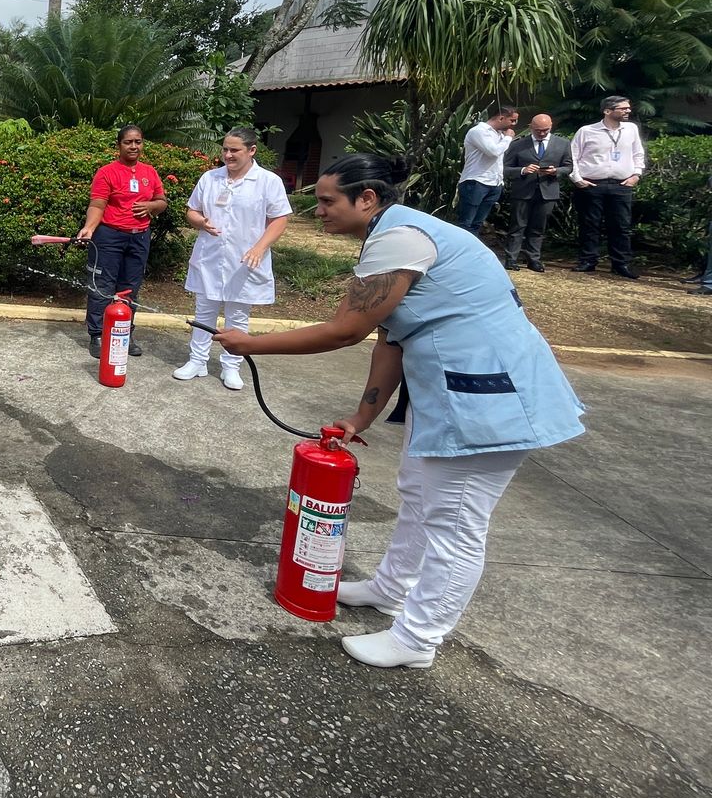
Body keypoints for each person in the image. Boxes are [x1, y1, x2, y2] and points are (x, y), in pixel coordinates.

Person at [214, 153, 585, 670]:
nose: (318, 211)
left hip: (489, 400)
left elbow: (346, 330)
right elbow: (390, 339)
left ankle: (418, 639)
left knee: (454, 525)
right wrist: (361, 418)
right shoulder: (394, 235)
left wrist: (251, 344)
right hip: (449, 395)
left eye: (327, 200)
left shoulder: (400, 238)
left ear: (366, 198)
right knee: (417, 494)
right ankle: (390, 589)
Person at [172, 127, 292, 391]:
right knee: (204, 311)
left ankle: (231, 366)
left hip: (244, 261)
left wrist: (260, 247)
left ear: (252, 150)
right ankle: (197, 361)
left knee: (237, 316)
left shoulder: (267, 181)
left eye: (234, 150)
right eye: (225, 149)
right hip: (210, 257)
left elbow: (279, 219)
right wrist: (201, 222)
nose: (227, 155)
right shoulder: (210, 178)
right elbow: (192, 210)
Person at [76, 125, 168, 358]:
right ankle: (98, 334)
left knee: (130, 287)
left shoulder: (149, 172)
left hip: (140, 237)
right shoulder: (107, 172)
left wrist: (151, 206)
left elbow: (161, 201)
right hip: (109, 236)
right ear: (119, 145)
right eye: (128, 142)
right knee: (102, 286)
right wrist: (89, 228)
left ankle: (124, 332)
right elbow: (97, 204)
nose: (134, 146)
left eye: (138, 141)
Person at [570, 95, 647, 278]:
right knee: (589, 224)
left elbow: (638, 153)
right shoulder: (587, 131)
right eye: (623, 108)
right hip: (591, 184)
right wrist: (577, 179)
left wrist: (636, 174)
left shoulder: (631, 129)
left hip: (621, 184)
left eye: (628, 108)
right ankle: (588, 260)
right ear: (607, 111)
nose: (628, 111)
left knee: (621, 226)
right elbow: (572, 156)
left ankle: (621, 264)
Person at [500, 114, 571, 272]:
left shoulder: (563, 144)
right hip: (523, 191)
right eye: (538, 130)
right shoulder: (518, 144)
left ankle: (533, 259)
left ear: (551, 126)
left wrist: (556, 171)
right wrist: (523, 170)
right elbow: (505, 168)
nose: (542, 133)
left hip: (548, 191)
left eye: (545, 130)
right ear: (531, 127)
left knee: (538, 227)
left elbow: (569, 167)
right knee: (517, 226)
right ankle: (511, 258)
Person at [455, 104, 519, 234]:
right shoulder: (479, 131)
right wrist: (508, 138)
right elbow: (493, 152)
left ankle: (472, 246)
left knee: (477, 223)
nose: (514, 124)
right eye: (512, 120)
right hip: (476, 182)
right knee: (465, 223)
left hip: (494, 183)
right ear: (501, 118)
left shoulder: (500, 134)